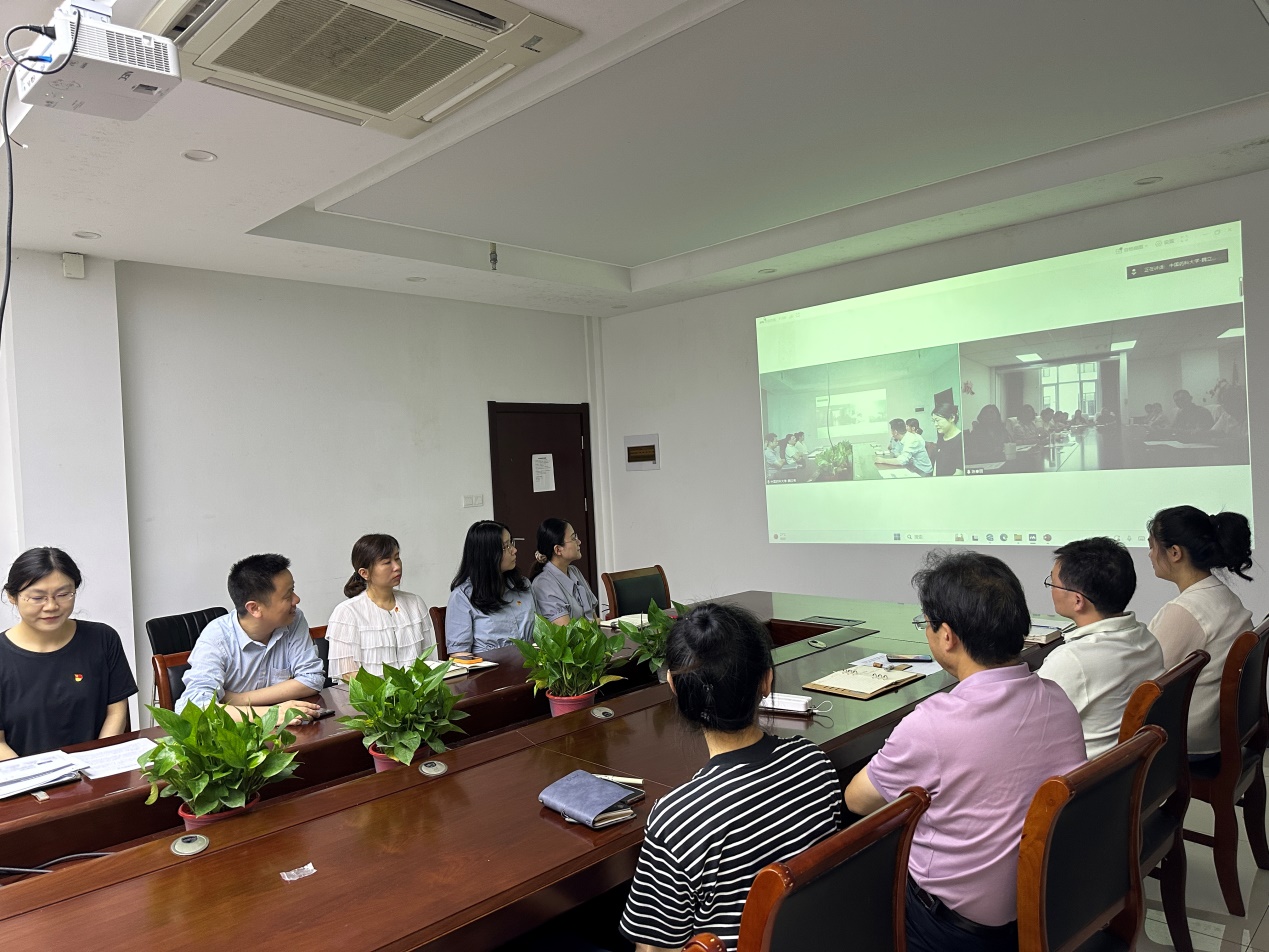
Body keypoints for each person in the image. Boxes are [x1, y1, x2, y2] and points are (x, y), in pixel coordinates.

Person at [845, 552, 1085, 952]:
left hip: (956, 931)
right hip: (1046, 902)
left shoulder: (933, 724)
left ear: (947, 636)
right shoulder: (1057, 698)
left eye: (926, 622)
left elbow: (857, 800)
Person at [619, 603, 842, 951]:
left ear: (674, 685)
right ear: (766, 680)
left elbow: (655, 947)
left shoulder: (677, 820)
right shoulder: (815, 763)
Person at [0, 547, 137, 760]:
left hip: (97, 770)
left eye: (63, 594)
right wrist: (35, 777)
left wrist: (98, 763)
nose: (51, 606)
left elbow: (116, 713)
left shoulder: (103, 639)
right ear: (12, 596)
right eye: (37, 597)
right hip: (25, 776)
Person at [1037, 538, 1165, 757]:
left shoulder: (1072, 660)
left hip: (1081, 773)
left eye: (1053, 583)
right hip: (1125, 766)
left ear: (1078, 601)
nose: (1051, 590)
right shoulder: (1145, 638)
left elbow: (1023, 725)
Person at [1147, 506, 1254, 758]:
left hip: (1190, 740)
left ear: (1175, 553)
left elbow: (1144, 679)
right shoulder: (1222, 595)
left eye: (1152, 546)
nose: (1150, 554)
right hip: (1218, 731)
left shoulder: (1185, 611)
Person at [177, 553, 324, 720]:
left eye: (293, 590)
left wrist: (239, 699)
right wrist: (271, 715)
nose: (296, 600)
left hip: (286, 729)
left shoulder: (293, 619)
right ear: (254, 608)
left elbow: (312, 679)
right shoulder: (217, 638)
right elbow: (195, 708)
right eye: (287, 595)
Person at [325, 534, 434, 679]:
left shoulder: (415, 604)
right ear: (364, 573)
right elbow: (348, 674)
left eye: (397, 558)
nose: (397, 567)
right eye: (387, 562)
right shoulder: (347, 613)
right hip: (372, 693)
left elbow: (427, 661)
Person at [445, 520, 535, 655]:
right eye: (506, 546)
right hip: (490, 666)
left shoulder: (523, 585)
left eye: (511, 543)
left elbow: (541, 635)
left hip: (530, 664)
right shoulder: (462, 597)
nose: (514, 550)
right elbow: (459, 654)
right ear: (487, 554)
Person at [530, 518, 599, 625]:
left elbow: (592, 615)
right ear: (558, 550)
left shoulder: (574, 571)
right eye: (573, 538)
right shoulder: (543, 584)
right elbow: (566, 630)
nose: (579, 542)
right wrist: (597, 623)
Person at [930, 402, 964, 477]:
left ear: (952, 418)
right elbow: (937, 462)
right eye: (934, 421)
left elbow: (960, 471)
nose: (935, 424)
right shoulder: (941, 438)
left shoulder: (961, 440)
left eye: (938, 420)